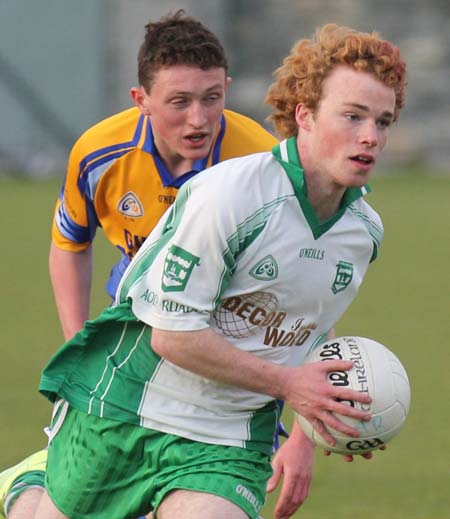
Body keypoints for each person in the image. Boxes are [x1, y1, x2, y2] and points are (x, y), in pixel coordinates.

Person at [29, 22, 407, 519]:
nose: (370, 136)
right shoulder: (229, 195)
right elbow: (172, 337)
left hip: (230, 436)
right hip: (126, 407)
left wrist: (314, 425)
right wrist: (291, 386)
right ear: (305, 116)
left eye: (382, 121)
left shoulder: (362, 231)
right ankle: (28, 488)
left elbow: (310, 331)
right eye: (352, 116)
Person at [0, 9, 279, 519]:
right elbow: (69, 243)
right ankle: (34, 479)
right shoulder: (98, 153)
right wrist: (76, 347)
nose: (198, 118)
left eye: (212, 98)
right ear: (141, 100)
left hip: (225, 350)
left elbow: (294, 288)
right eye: (179, 102)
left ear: (228, 89)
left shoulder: (260, 165)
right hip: (133, 339)